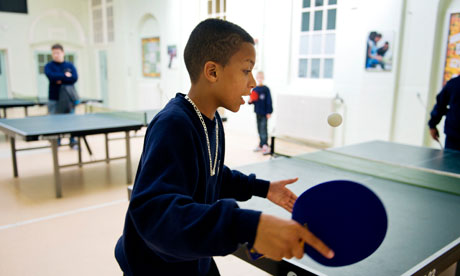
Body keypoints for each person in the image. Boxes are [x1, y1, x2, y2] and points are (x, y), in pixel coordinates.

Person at [114, 19, 334, 276]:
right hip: (156, 267)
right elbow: (156, 214)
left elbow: (213, 175)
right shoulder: (174, 125)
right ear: (213, 72)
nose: (252, 82)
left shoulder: (212, 120)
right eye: (245, 70)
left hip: (193, 259)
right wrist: (249, 226)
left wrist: (262, 188)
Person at [44, 43, 79, 148]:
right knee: (55, 123)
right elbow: (51, 77)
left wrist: (60, 79)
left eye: (58, 53)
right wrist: (65, 76)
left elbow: (74, 78)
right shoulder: (49, 66)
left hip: (68, 99)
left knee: (71, 122)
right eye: (54, 53)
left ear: (62, 53)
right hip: (54, 98)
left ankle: (72, 141)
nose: (56, 55)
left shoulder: (70, 65)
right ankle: (56, 143)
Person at [428, 75, 460, 151]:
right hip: (454, 138)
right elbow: (440, 105)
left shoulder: (453, 83)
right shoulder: (454, 83)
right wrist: (432, 125)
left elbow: (440, 106)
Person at [248, 71, 273, 154]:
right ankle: (261, 144)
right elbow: (253, 100)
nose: (260, 79)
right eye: (258, 77)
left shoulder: (266, 89)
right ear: (256, 78)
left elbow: (269, 101)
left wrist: (269, 112)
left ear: (263, 78)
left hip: (264, 113)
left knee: (263, 129)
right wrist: (250, 101)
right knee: (259, 129)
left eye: (261, 77)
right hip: (257, 112)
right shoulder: (255, 89)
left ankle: (265, 145)